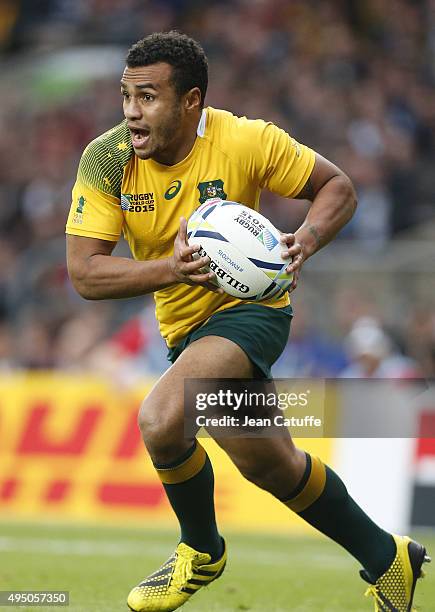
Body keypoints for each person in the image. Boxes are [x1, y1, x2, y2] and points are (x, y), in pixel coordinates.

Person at [65, 31, 429, 612]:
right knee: (270, 462)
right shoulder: (107, 159)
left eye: (149, 97)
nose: (132, 112)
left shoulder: (245, 138)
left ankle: (201, 551)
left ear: (191, 102)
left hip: (253, 312)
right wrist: (172, 270)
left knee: (161, 420)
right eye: (126, 96)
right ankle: (390, 560)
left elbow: (337, 186)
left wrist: (303, 241)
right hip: (185, 331)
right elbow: (84, 273)